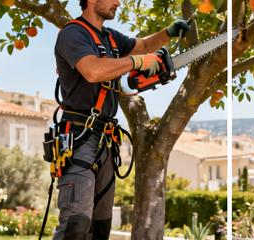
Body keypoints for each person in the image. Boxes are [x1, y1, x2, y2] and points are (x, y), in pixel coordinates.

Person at [52, 0, 190, 238]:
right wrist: (137, 62)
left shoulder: (111, 38)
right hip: (79, 137)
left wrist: (168, 32)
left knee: (100, 227)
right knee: (76, 224)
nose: (118, 2)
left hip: (106, 140)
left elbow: (145, 45)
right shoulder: (73, 34)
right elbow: (93, 71)